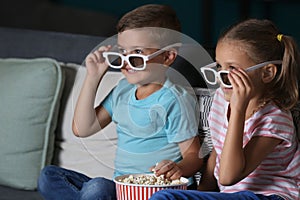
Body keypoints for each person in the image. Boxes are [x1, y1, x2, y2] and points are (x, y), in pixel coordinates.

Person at [37, 4, 203, 200]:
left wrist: (177, 167)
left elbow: (194, 156)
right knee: (49, 176)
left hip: (156, 191)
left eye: (137, 54)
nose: (126, 62)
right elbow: (83, 128)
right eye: (123, 52)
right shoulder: (122, 89)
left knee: (97, 189)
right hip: (121, 189)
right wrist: (93, 77)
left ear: (167, 56)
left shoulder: (174, 99)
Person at [149, 18, 300, 200]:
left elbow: (229, 176)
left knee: (166, 198)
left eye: (232, 69)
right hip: (231, 195)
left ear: (267, 73)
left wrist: (238, 109)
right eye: (219, 67)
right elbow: (217, 153)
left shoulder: (275, 119)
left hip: (269, 195)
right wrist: (201, 193)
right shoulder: (221, 98)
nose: (221, 78)